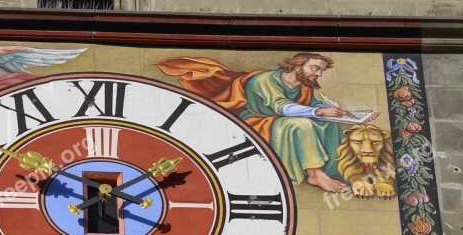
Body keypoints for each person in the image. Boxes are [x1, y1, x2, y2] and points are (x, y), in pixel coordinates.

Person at [155, 53, 379, 192]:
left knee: (327, 124)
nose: (318, 74)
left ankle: (336, 169)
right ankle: (314, 173)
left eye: (320, 70)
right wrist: (318, 111)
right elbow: (283, 108)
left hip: (279, 121)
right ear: (297, 65)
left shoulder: (303, 85)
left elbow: (313, 107)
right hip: (257, 121)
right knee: (302, 125)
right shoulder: (265, 80)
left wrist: (347, 115)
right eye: (315, 68)